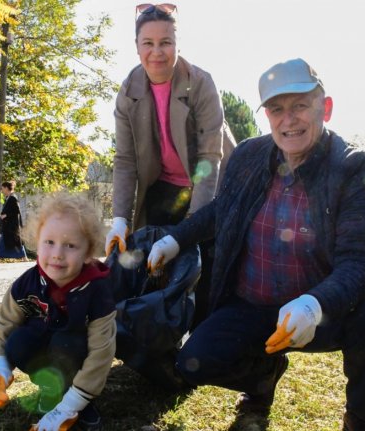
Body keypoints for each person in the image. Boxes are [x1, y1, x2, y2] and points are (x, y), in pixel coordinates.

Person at [147, 58, 365, 430]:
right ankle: (261, 380)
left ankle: (360, 415)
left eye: (301, 105)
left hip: (325, 308)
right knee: (194, 361)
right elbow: (223, 210)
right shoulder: (250, 155)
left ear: (325, 108)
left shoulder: (355, 168)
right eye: (276, 109)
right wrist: (175, 239)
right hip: (253, 304)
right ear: (266, 115)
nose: (289, 119)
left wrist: (314, 305)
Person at [106, 1, 235, 333]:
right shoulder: (128, 92)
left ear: (177, 44)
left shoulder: (201, 83)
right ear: (136, 48)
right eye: (148, 43)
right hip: (164, 186)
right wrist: (120, 218)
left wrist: (193, 225)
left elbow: (210, 157)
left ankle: (202, 335)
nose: (157, 52)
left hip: (212, 183)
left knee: (205, 256)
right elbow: (125, 161)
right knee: (155, 260)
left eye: (166, 42)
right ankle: (160, 330)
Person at [0, 192, 116, 431]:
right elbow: (1, 327)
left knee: (66, 343)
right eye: (49, 242)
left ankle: (77, 400)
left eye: (70, 245)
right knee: (18, 342)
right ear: (36, 241)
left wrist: (71, 405)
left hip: (76, 353)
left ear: (88, 253)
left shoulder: (98, 290)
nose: (57, 254)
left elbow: (101, 354)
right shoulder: (26, 283)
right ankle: (50, 389)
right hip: (45, 344)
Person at [0, 180, 27, 259]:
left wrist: (5, 215)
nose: (1, 190)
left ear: (7, 188)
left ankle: (24, 257)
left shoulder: (13, 198)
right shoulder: (8, 198)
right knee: (7, 242)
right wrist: (2, 215)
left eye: (2, 188)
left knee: (15, 242)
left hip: (11, 226)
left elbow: (16, 211)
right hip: (8, 226)